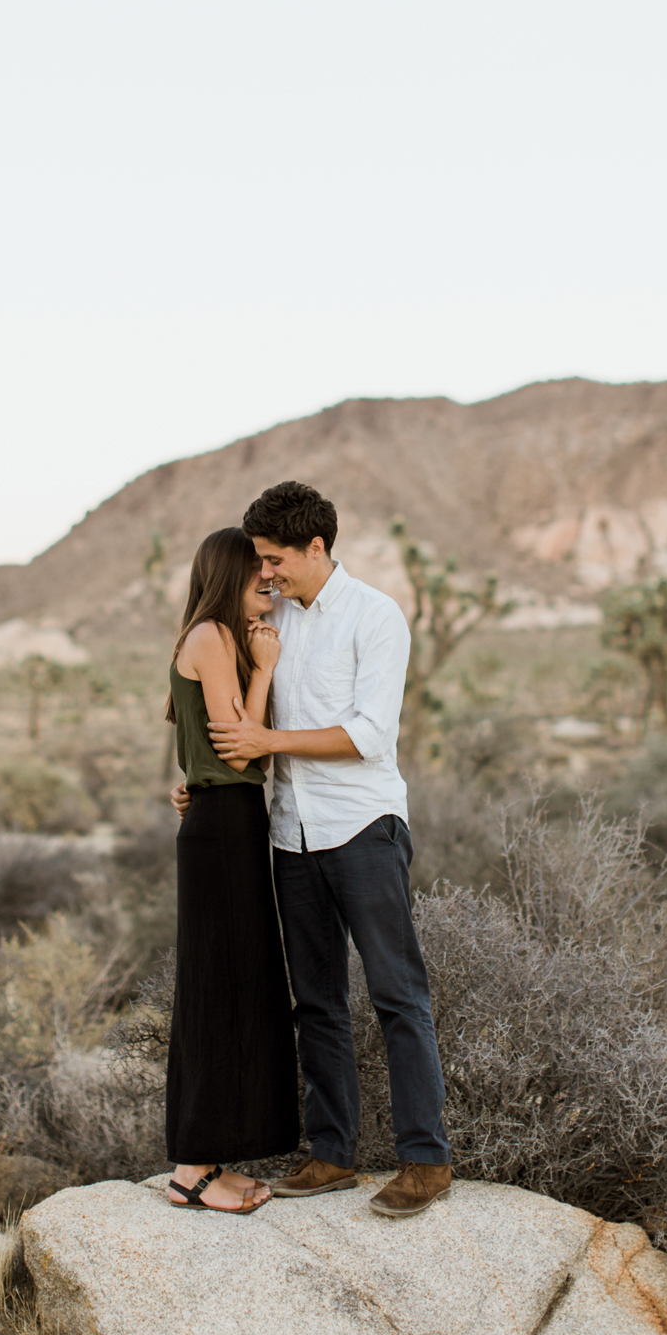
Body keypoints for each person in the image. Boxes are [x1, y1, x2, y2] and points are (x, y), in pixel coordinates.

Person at [193, 480, 452, 1220]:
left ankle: (424, 1160)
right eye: (259, 562)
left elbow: (368, 735)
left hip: (362, 827)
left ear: (316, 547)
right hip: (291, 831)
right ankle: (333, 1153)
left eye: (276, 558)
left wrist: (265, 742)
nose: (265, 573)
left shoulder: (375, 617)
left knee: (398, 996)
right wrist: (208, 783)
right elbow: (239, 718)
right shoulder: (268, 621)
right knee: (314, 1003)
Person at [163, 526, 300, 1214]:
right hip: (223, 826)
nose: (269, 590)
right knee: (217, 986)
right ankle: (192, 1171)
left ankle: (209, 1157)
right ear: (227, 579)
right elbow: (242, 751)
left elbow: (208, 751)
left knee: (238, 981)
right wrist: (266, 668)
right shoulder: (214, 639)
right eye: (258, 580)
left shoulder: (219, 637)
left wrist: (192, 783)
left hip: (228, 821)